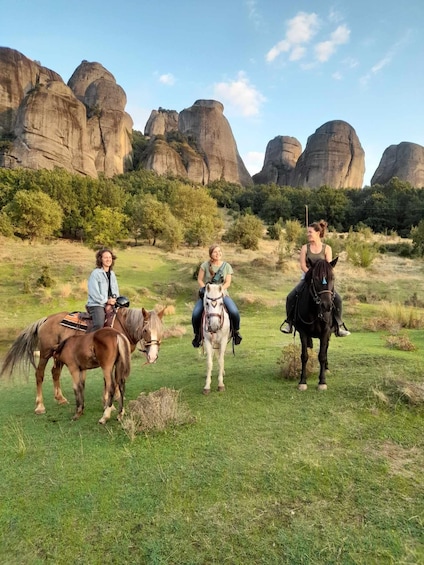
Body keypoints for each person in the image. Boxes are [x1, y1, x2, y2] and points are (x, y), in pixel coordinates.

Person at [280, 220, 350, 337]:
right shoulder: (305, 248)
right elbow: (303, 265)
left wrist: (320, 277)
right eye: (307, 232)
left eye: (310, 232)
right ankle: (289, 323)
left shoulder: (327, 248)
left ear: (318, 233)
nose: (308, 234)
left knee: (338, 299)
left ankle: (338, 325)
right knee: (291, 296)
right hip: (307, 277)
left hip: (323, 280)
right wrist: (311, 275)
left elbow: (328, 267)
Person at [192, 244, 242, 347]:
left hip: (222, 295)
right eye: (215, 252)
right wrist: (205, 290)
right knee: (196, 314)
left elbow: (228, 282)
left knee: (234, 311)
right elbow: (200, 280)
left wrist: (219, 290)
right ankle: (197, 336)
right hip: (208, 296)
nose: (218, 253)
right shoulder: (204, 265)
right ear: (210, 254)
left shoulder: (227, 266)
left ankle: (236, 333)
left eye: (219, 251)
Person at [86, 248, 119, 332]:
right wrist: (107, 301)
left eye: (110, 257)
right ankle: (88, 342)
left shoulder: (112, 274)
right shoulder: (95, 273)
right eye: (105, 257)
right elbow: (94, 293)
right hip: (96, 304)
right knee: (99, 323)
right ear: (100, 259)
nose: (108, 259)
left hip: (111, 302)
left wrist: (115, 300)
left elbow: (115, 290)